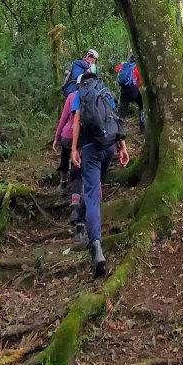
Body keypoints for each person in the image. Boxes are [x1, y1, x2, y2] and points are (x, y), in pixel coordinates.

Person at [71, 70, 129, 278]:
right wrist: (123, 147)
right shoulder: (104, 92)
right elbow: (115, 118)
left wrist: (74, 149)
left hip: (91, 149)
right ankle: (82, 216)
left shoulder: (81, 94)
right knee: (95, 187)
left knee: (93, 194)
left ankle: (96, 245)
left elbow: (77, 120)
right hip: (109, 148)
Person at [52, 90, 85, 232]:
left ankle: (64, 183)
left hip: (68, 135)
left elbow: (63, 118)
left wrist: (56, 137)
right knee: (79, 167)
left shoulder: (72, 96)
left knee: (65, 154)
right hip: (84, 138)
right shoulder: (96, 94)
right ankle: (78, 198)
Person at [115, 54, 145, 132]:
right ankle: (142, 127)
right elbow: (140, 81)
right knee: (142, 105)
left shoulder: (123, 65)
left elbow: (116, 69)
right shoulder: (137, 67)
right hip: (133, 89)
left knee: (122, 111)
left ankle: (118, 130)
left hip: (123, 90)